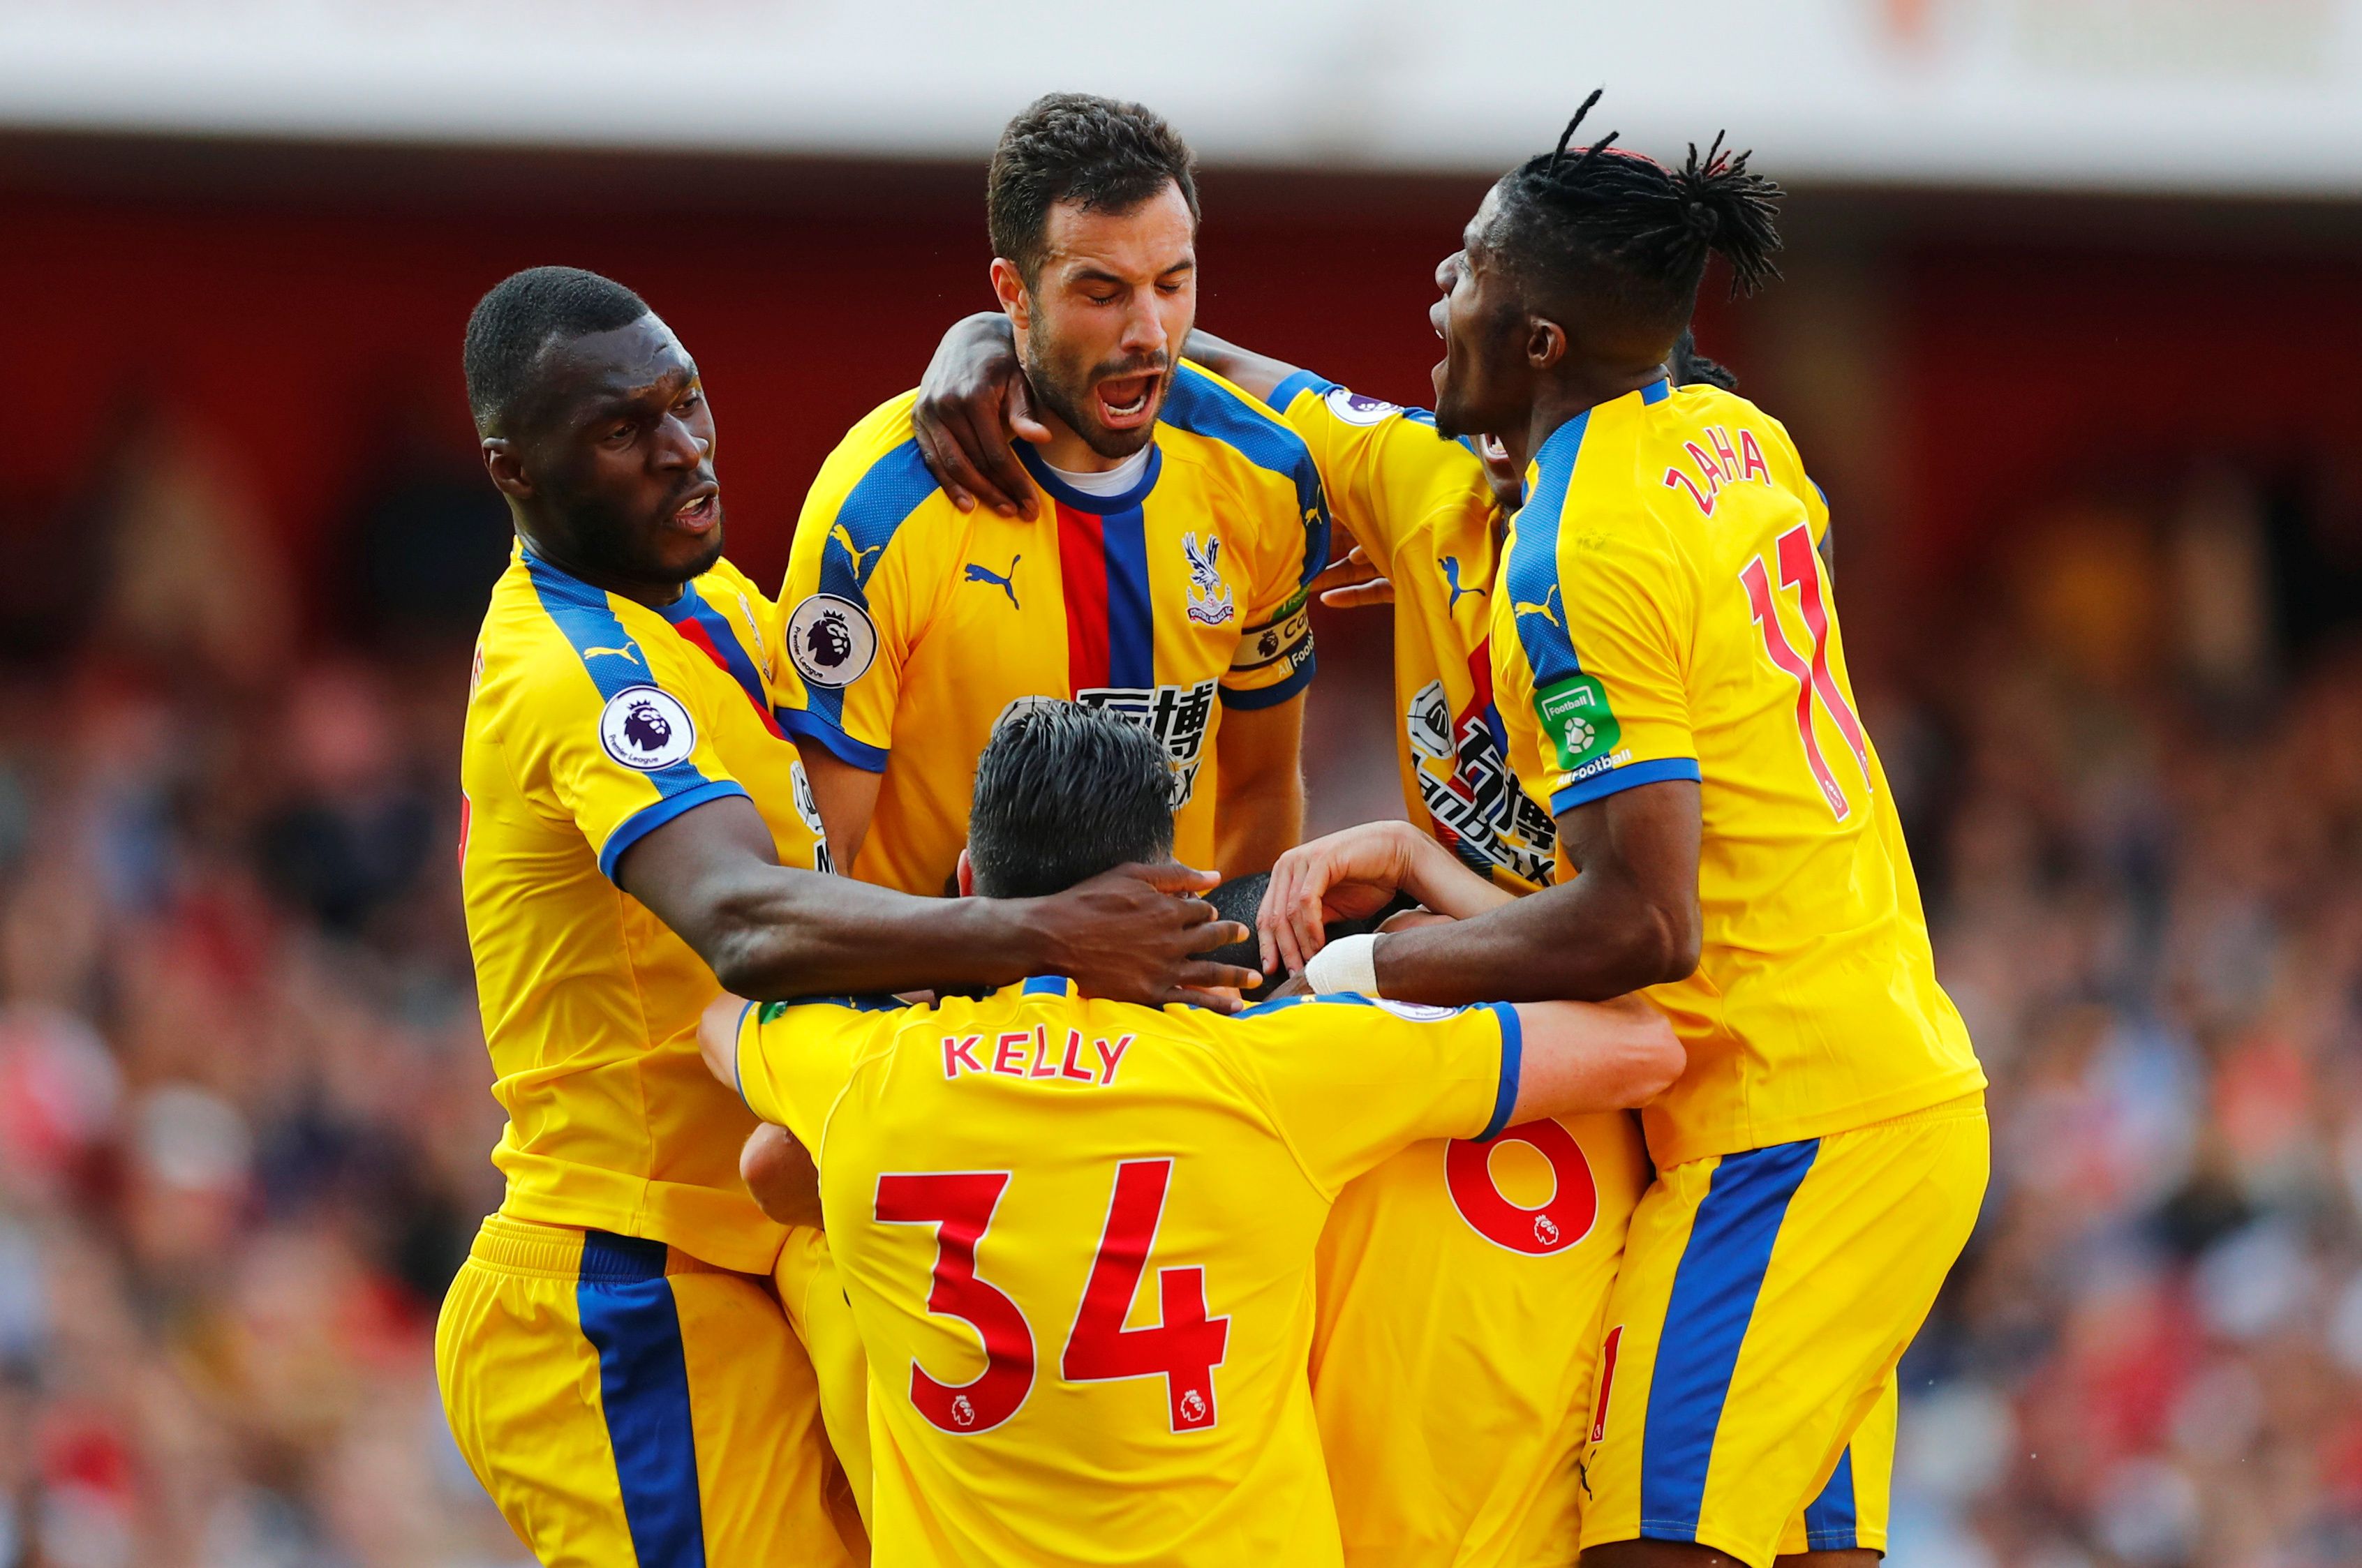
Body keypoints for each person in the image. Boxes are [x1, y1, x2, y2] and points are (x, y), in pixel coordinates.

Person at [1258, 99, 1987, 1568]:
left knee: (1644, 1546)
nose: (1438, 287)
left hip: (1785, 1121)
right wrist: (1427, 861)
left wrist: (1351, 973)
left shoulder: (1568, 549)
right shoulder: (1736, 435)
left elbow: (1646, 925)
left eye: (1469, 265)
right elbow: (1291, 396)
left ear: (1538, 342)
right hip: (1875, 1076)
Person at [438, 266, 1254, 1567]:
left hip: (777, 1235)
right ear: (512, 469)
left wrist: (979, 337)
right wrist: (1049, 929)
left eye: (686, 401)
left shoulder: (706, 605)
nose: (683, 448)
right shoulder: (574, 669)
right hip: (632, 1276)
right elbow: (741, 920)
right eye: (622, 429)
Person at [907, 311, 1735, 1568]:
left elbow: (1647, 985)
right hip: (1542, 1036)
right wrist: (996, 332)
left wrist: (1388, 914)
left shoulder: (1277, 1054)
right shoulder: (1316, 1064)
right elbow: (1639, 1033)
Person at [699, 701, 1684, 1567]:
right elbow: (1643, 1042)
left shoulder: (870, 1073)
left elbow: (725, 1033)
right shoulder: (1278, 1071)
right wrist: (1376, 931)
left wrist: (964, 967)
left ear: (967, 882)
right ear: (1176, 894)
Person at [774, 93, 1329, 897]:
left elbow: (1260, 791)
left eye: (1173, 284)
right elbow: (823, 861)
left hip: (1169, 978)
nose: (1149, 332)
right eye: (1102, 294)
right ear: (1013, 292)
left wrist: (1232, 959)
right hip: (931, 976)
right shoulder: (880, 507)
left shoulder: (1265, 475)